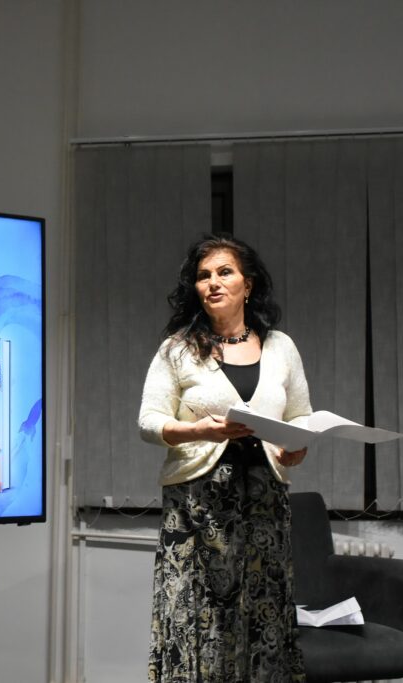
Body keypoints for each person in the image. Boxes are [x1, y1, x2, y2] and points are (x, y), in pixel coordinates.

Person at [138, 234, 309, 682]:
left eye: (224, 272)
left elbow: (301, 417)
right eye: (203, 275)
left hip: (265, 501)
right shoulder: (177, 349)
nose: (213, 282)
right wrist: (199, 430)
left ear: (247, 285)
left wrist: (297, 447)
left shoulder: (281, 347)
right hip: (197, 506)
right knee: (197, 612)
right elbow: (148, 423)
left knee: (264, 608)